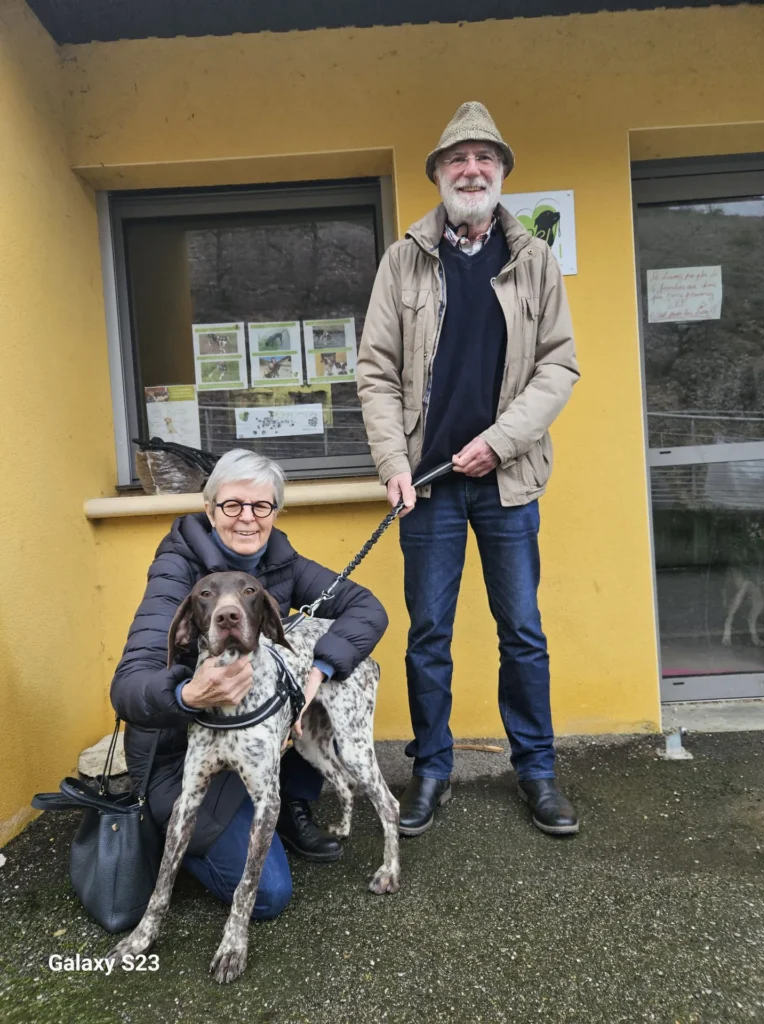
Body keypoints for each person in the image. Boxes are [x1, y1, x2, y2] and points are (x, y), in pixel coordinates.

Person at [357, 101, 580, 838]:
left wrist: (501, 441)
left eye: (485, 159)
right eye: (459, 159)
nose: (472, 170)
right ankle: (431, 770)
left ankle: (538, 773)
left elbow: (558, 368)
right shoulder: (403, 259)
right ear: (440, 175)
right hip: (428, 490)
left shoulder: (535, 260)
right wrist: (393, 462)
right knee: (429, 634)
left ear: (502, 174)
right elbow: (376, 371)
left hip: (508, 484)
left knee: (522, 631)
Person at [111, 449, 388, 919]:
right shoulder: (176, 570)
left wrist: (319, 672)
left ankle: (288, 809)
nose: (247, 519)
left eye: (261, 506)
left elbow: (367, 608)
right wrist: (186, 695)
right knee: (269, 896)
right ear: (209, 507)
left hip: (257, 736)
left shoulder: (283, 561)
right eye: (232, 505)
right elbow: (130, 685)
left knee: (296, 685)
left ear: (275, 512)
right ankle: (171, 827)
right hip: (180, 748)